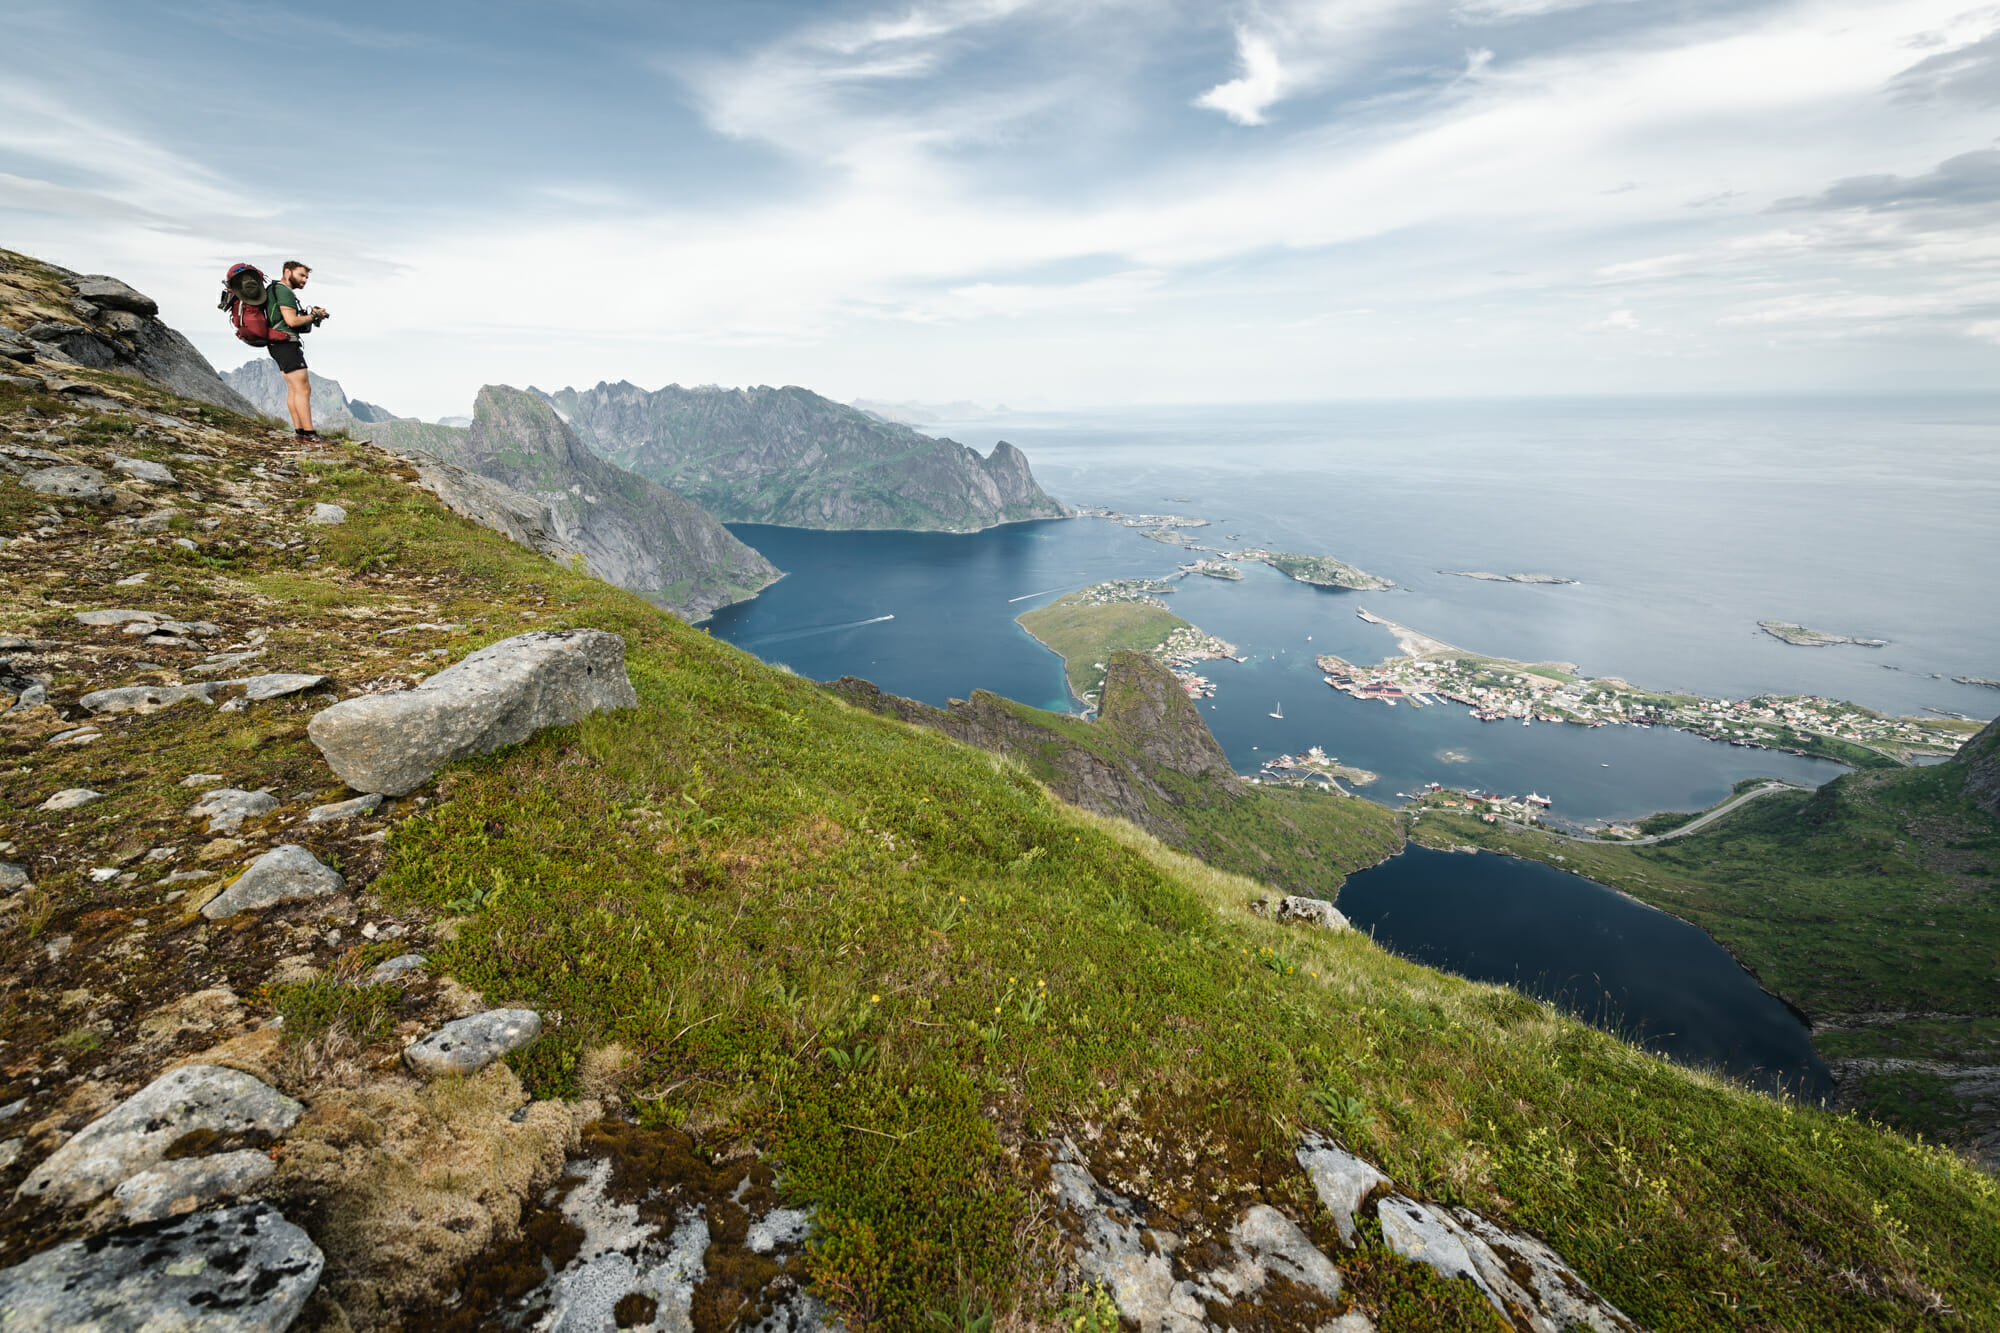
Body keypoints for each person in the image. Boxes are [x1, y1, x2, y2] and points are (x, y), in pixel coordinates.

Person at [265, 261, 329, 442]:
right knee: (303, 389)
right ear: (287, 272)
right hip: (286, 343)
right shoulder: (284, 291)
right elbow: (292, 321)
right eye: (301, 275)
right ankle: (310, 434)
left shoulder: (273, 289)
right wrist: (315, 316)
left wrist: (311, 317)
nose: (305, 280)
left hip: (277, 344)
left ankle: (300, 433)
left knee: (294, 389)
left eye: (307, 277)